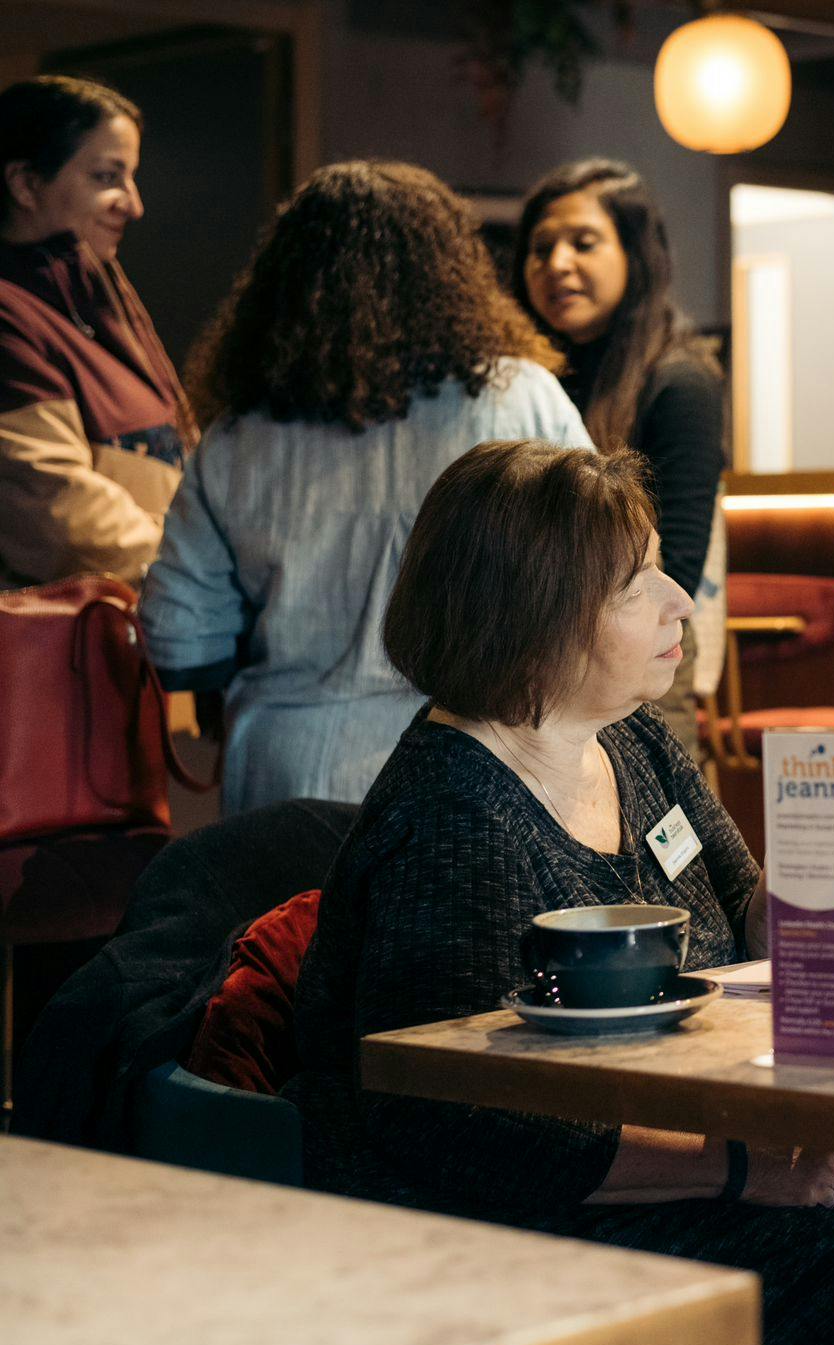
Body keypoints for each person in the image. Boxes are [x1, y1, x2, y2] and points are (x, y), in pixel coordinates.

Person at [287, 439, 834, 1345]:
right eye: (637, 583)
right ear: (533, 616)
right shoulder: (455, 820)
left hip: (708, 1148)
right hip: (532, 1222)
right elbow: (451, 1123)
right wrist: (749, 1170)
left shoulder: (631, 739)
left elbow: (745, 905)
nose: (682, 600)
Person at [138, 161, 589, 815]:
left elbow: (178, 636)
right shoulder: (521, 399)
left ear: (284, 285)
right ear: (451, 272)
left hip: (290, 772)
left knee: (289, 923)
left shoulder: (239, 436)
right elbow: (601, 570)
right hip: (484, 765)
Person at [514, 159, 728, 754]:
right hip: (539, 662)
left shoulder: (680, 381)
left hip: (643, 668)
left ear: (636, 255)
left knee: (659, 846)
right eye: (540, 248)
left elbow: (674, 563)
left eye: (584, 243)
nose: (557, 264)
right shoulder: (521, 381)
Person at [0, 74, 191, 587]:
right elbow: (52, 504)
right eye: (108, 177)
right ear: (25, 184)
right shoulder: (10, 312)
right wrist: (194, 568)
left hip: (143, 620)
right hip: (76, 643)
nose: (133, 204)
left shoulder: (95, 292)